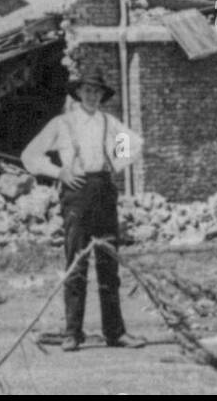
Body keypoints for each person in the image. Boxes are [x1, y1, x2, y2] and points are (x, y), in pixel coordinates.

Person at [20, 67, 143, 351]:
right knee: (76, 262)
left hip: (103, 190)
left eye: (97, 92)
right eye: (87, 91)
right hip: (76, 192)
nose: (92, 96)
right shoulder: (62, 124)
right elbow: (30, 155)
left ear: (102, 96)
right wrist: (58, 172)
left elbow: (135, 144)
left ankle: (115, 333)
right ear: (78, 93)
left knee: (108, 263)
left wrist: (115, 163)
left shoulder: (109, 123)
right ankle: (72, 333)